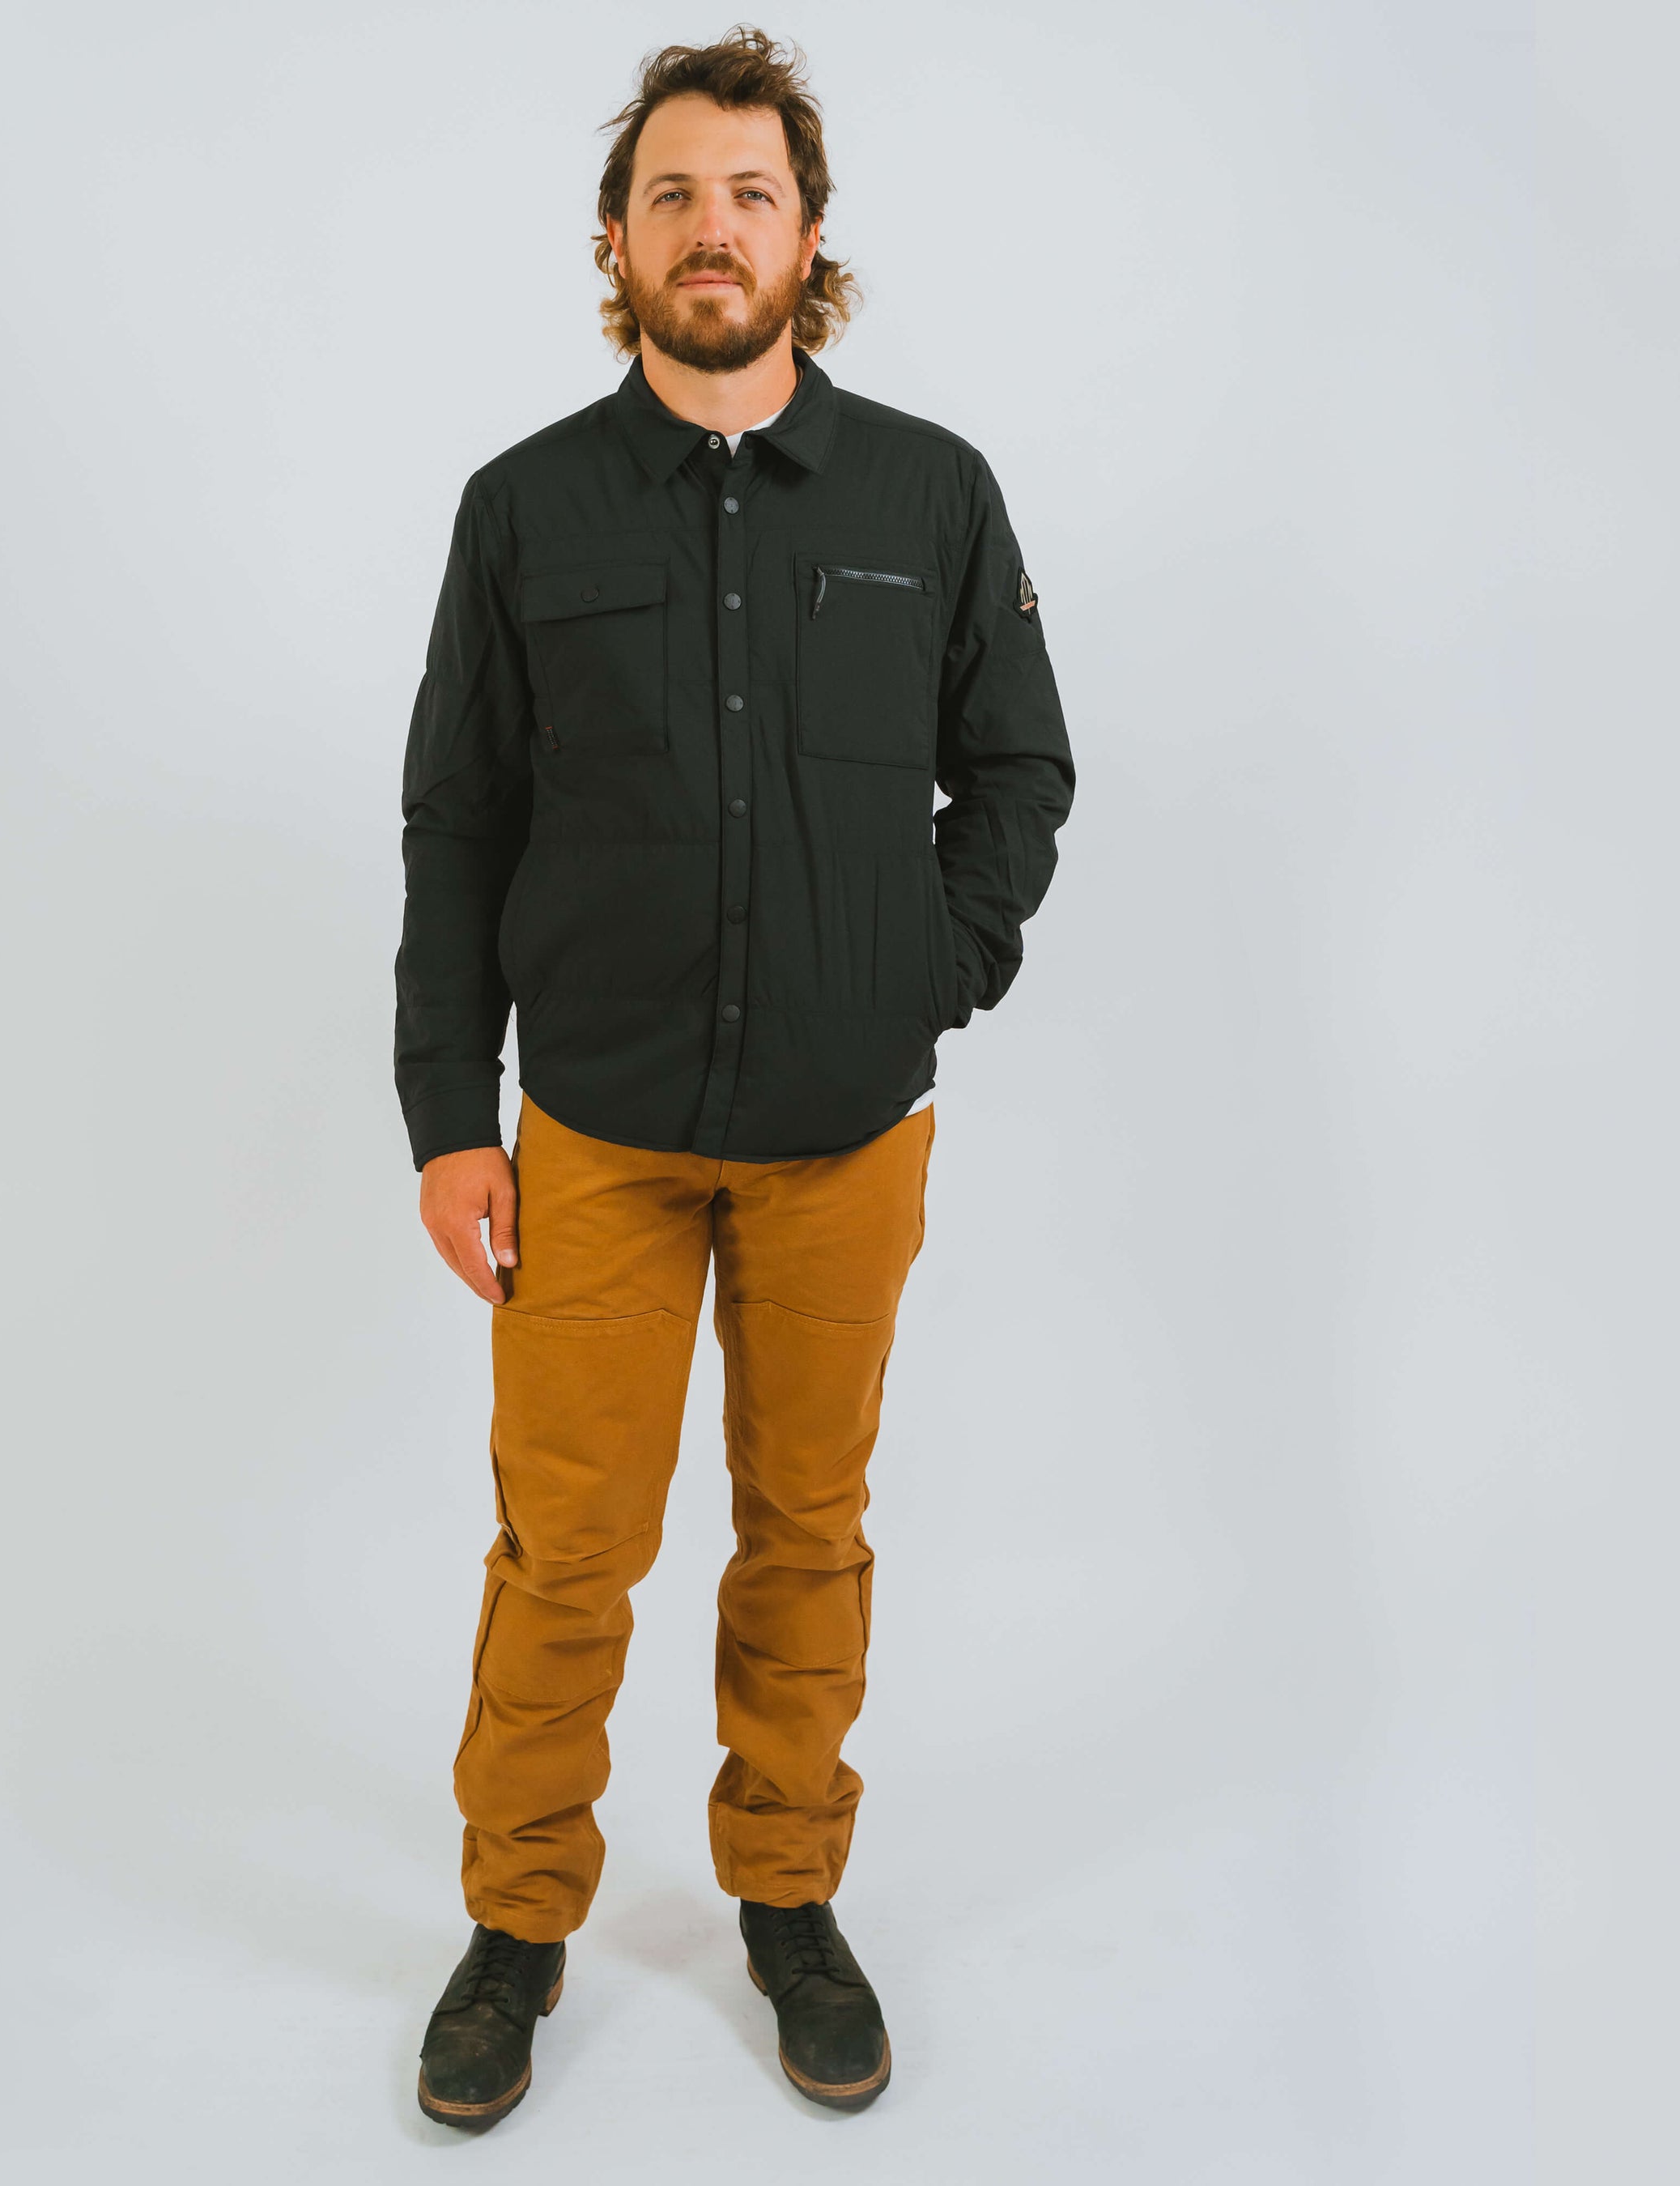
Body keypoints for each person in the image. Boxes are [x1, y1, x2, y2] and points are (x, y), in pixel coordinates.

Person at [395, 28, 1074, 2129]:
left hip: (843, 1141)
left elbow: (1020, 771)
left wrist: (923, 978)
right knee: (564, 1549)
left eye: (750, 194)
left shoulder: (931, 496)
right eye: (673, 194)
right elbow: (459, 823)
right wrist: (449, 1116)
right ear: (618, 238)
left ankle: (789, 1897)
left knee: (806, 1530)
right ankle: (517, 1924)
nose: (713, 228)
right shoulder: (522, 509)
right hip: (590, 1136)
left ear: (808, 232)